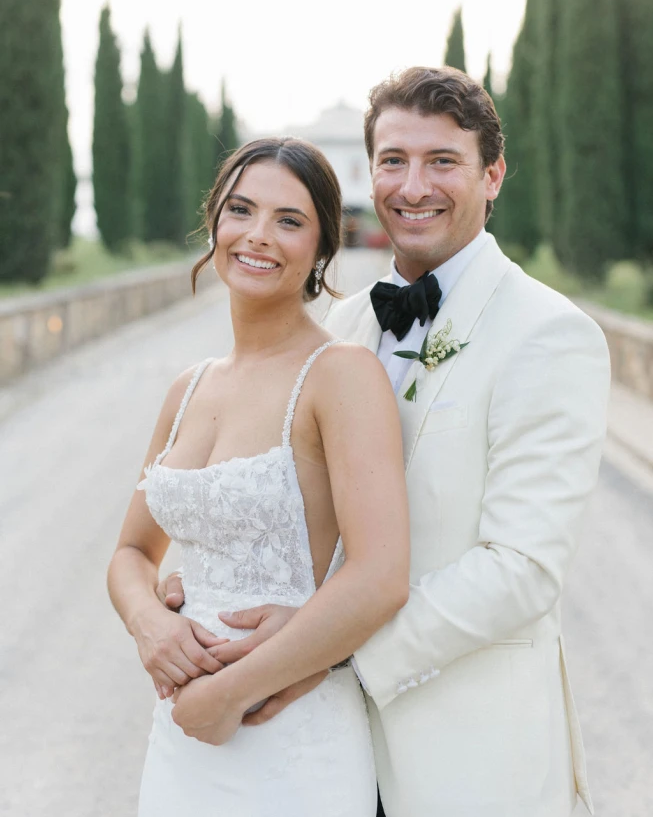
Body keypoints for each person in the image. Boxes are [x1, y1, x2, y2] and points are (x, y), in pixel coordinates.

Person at [160, 67, 611, 817]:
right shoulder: (342, 329)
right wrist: (204, 584)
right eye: (393, 160)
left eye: (443, 162)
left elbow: (521, 571)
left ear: (492, 175)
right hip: (316, 751)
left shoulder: (549, 335)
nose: (412, 186)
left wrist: (324, 648)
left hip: (467, 755)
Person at [107, 137, 410, 817]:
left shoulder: (338, 375)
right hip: (181, 736)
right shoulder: (189, 386)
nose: (257, 236)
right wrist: (150, 624)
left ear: (322, 246)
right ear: (213, 220)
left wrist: (229, 692)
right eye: (241, 210)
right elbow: (130, 555)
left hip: (286, 734)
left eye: (289, 220)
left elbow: (380, 576)